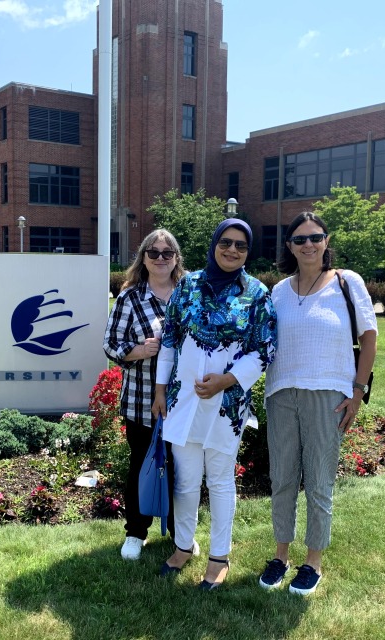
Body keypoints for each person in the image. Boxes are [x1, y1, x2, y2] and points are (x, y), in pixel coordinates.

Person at [152, 219, 277, 590]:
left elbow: (264, 350)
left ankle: (219, 556)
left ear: (247, 251)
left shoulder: (256, 294)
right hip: (183, 400)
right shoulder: (187, 286)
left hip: (227, 403)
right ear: (214, 244)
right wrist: (160, 392)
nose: (232, 250)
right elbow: (170, 342)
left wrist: (226, 380)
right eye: (226, 242)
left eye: (241, 245)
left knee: (221, 481)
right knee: (186, 481)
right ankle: (183, 546)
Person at [258, 211, 377, 596]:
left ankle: (313, 562)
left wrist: (357, 391)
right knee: (283, 480)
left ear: (326, 242)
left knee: (319, 480)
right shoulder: (278, 291)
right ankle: (280, 555)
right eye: (299, 239)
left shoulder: (346, 282)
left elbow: (370, 337)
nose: (308, 245)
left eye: (315, 237)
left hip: (328, 394)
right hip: (280, 394)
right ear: (289, 246)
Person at [104, 229, 185, 561]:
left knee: (183, 469)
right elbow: (111, 345)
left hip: (185, 401)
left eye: (168, 253)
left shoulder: (189, 295)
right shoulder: (130, 298)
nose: (161, 259)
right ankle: (136, 532)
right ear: (144, 258)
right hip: (141, 400)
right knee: (142, 466)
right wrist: (139, 350)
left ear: (176, 258)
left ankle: (182, 532)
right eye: (154, 253)